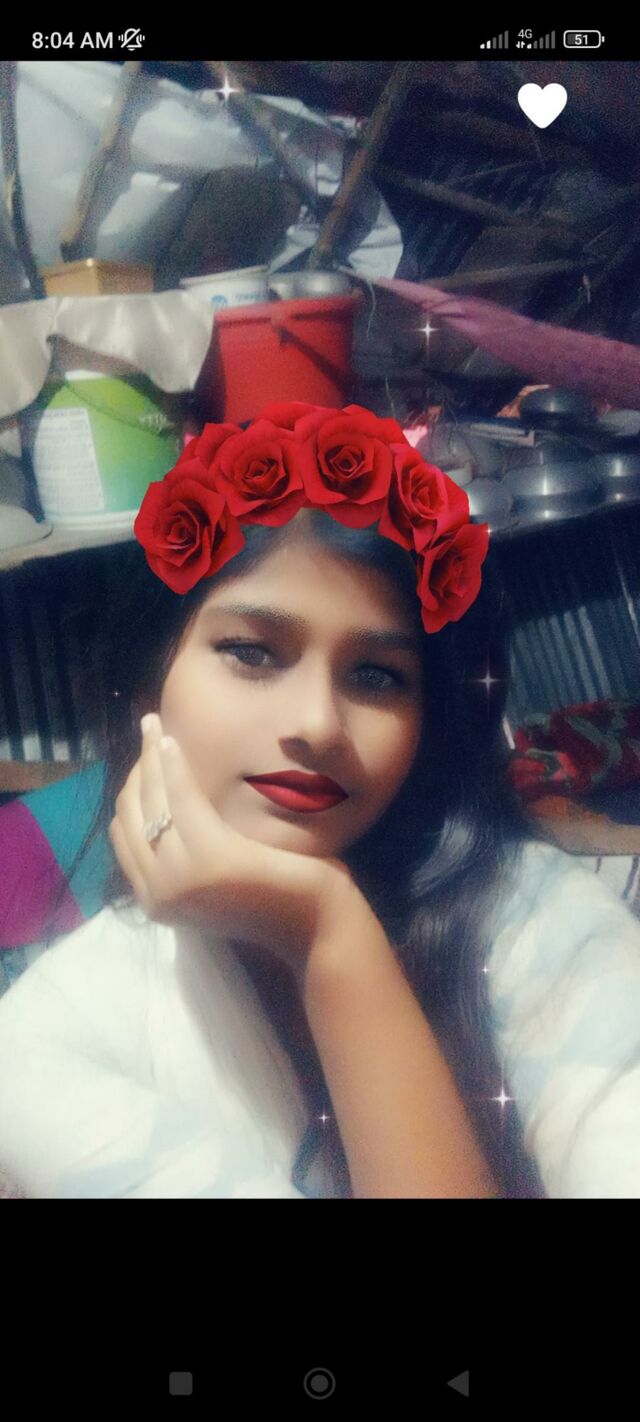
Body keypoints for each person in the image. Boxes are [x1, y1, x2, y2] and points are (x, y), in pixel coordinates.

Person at [1, 400, 640, 1199]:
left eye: (376, 675)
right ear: (147, 683)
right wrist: (325, 938)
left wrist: (329, 936)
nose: (316, 723)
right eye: (251, 653)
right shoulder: (51, 1041)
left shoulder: (535, 921)